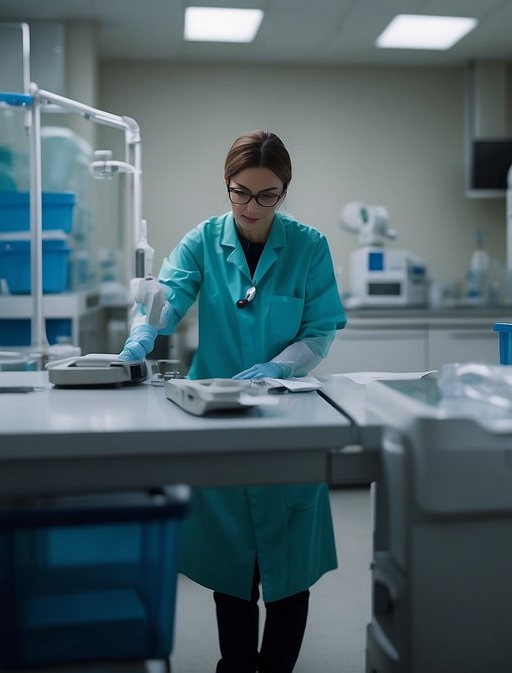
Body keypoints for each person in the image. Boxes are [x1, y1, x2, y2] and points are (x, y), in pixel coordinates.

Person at [117, 129, 347, 673]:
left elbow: (319, 331)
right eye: (241, 191)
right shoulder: (203, 241)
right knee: (232, 570)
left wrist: (279, 365)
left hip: (288, 415)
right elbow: (166, 300)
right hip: (217, 415)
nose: (251, 205)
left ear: (283, 192)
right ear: (227, 184)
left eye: (267, 194)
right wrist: (143, 331)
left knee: (289, 576)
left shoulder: (308, 246)